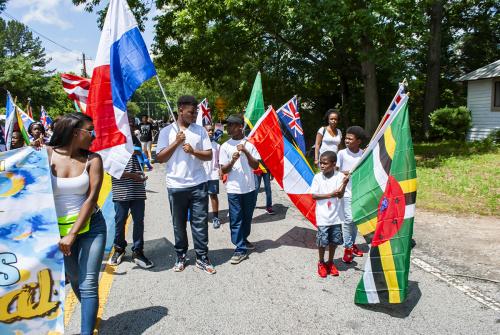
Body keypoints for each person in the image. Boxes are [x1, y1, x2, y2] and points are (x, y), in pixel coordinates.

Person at [47, 113, 106, 335]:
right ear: (75, 132)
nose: (93, 135)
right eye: (89, 130)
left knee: (89, 282)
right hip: (58, 231)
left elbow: (91, 199)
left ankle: (86, 331)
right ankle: (90, 314)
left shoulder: (94, 159)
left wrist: (72, 233)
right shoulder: (46, 155)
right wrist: (30, 156)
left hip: (92, 227)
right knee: (75, 279)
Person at [156, 95, 215, 274]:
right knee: (178, 223)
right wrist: (176, 142)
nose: (194, 114)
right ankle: (181, 255)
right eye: (191, 111)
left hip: (198, 183)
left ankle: (202, 257)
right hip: (176, 185)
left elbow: (209, 155)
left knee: (200, 222)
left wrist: (193, 151)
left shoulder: (200, 131)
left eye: (196, 111)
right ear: (180, 110)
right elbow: (160, 158)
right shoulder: (167, 131)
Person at [108, 114, 154, 269]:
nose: (130, 126)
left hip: (138, 188)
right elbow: (110, 169)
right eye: (126, 123)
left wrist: (142, 171)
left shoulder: (135, 139)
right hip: (121, 189)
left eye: (131, 123)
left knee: (139, 221)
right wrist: (132, 175)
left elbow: (139, 160)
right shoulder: (112, 142)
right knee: (120, 221)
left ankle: (138, 251)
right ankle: (119, 249)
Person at [220, 114, 261, 264]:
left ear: (239, 127)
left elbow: (256, 166)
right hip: (233, 189)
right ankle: (239, 249)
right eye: (228, 125)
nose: (228, 127)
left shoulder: (250, 144)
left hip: (249, 187)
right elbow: (223, 170)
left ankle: (243, 239)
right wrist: (233, 160)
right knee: (236, 219)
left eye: (231, 125)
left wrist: (245, 151)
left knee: (247, 217)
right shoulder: (225, 146)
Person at [311, 151, 348, 277]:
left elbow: (341, 195)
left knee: (334, 241)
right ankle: (321, 262)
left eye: (325, 163)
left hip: (336, 217)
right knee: (322, 242)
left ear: (333, 164)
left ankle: (330, 262)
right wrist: (330, 195)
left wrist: (344, 185)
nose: (321, 165)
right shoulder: (317, 177)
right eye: (321, 163)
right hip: (323, 217)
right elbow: (314, 195)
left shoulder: (340, 177)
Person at [337, 126, 365, 263]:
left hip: (359, 191)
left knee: (355, 220)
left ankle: (352, 244)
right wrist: (346, 173)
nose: (347, 140)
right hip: (346, 191)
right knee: (348, 219)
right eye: (346, 138)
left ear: (358, 141)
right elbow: (335, 172)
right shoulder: (342, 153)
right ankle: (347, 248)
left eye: (350, 138)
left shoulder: (364, 154)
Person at [204, 124, 222, 229]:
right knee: (202, 197)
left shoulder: (217, 146)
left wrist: (221, 170)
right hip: (202, 175)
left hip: (213, 175)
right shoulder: (199, 145)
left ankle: (215, 217)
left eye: (212, 130)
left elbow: (220, 161)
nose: (210, 132)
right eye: (208, 130)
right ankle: (203, 216)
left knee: (213, 195)